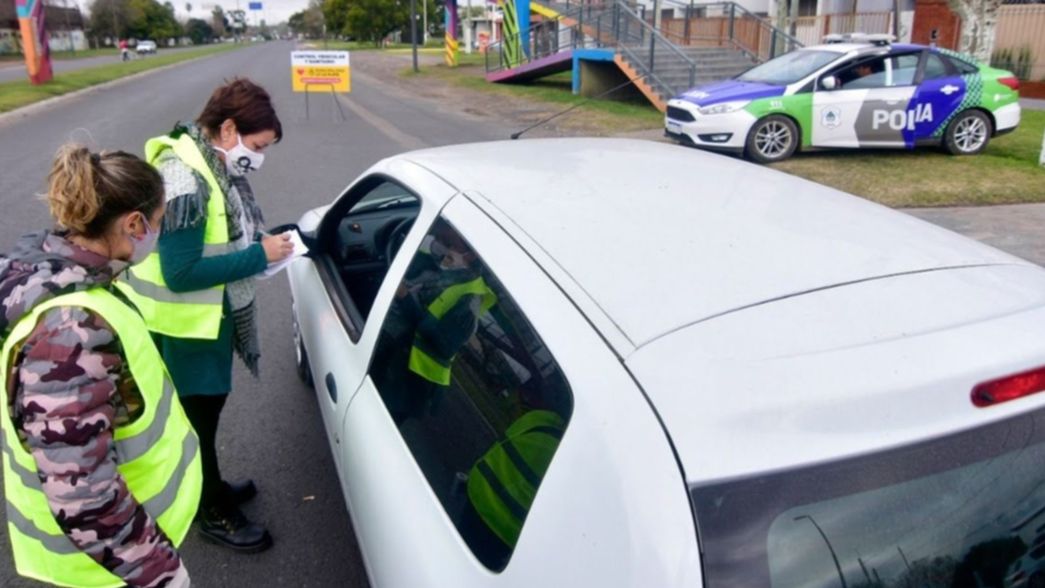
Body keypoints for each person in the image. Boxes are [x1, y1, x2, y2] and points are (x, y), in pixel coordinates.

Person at [0, 145, 201, 588]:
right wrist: (159, 572)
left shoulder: (75, 277)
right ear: (134, 223)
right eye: (159, 221)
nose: (158, 233)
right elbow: (82, 492)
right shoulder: (68, 331)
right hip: (103, 571)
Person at [117, 77, 292, 553]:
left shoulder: (207, 162)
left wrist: (256, 247)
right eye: (257, 146)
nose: (259, 158)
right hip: (180, 324)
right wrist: (261, 256)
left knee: (204, 417)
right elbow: (181, 272)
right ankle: (208, 509)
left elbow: (217, 239)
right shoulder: (182, 175)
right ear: (228, 127)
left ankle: (209, 485)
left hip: (202, 319)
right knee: (195, 421)